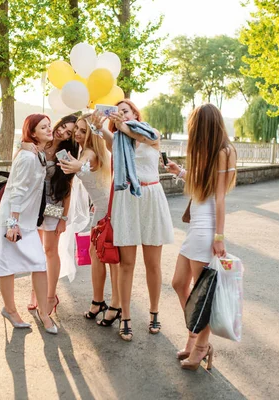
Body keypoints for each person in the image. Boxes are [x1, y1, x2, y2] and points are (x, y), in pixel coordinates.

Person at [87, 100, 174, 341]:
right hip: (127, 202)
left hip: (151, 199)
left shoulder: (151, 133)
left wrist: (122, 125)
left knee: (153, 264)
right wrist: (98, 125)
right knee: (126, 264)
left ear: (135, 113)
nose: (121, 115)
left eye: (125, 111)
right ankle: (125, 317)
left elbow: (145, 137)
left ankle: (154, 312)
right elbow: (105, 135)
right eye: (117, 112)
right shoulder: (117, 141)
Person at [167, 103, 237, 370]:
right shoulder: (209, 151)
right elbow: (203, 186)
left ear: (203, 126)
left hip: (207, 227)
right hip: (196, 224)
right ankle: (195, 335)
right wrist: (181, 172)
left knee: (202, 293)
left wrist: (219, 236)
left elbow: (219, 198)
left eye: (194, 125)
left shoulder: (224, 152)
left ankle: (200, 347)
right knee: (178, 282)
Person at [0, 113, 57, 334]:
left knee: (39, 264)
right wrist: (13, 224)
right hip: (12, 221)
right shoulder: (27, 157)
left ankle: (43, 313)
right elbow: (17, 192)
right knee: (7, 266)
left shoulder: (37, 154)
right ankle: (10, 310)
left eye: (49, 126)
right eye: (44, 127)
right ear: (32, 133)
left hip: (28, 223)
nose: (49, 129)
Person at [58, 113, 121, 326]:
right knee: (97, 256)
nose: (77, 133)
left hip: (108, 212)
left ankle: (114, 304)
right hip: (101, 209)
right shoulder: (85, 151)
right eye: (77, 129)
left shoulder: (91, 152)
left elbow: (84, 164)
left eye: (83, 130)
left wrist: (76, 166)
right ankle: (99, 301)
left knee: (109, 257)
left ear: (92, 134)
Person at [25, 115, 79, 316]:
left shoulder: (65, 154)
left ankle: (50, 296)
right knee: (35, 250)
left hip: (53, 204)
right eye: (63, 126)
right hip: (34, 206)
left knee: (50, 251)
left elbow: (68, 187)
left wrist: (63, 219)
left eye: (68, 133)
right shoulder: (39, 143)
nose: (62, 132)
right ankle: (35, 292)